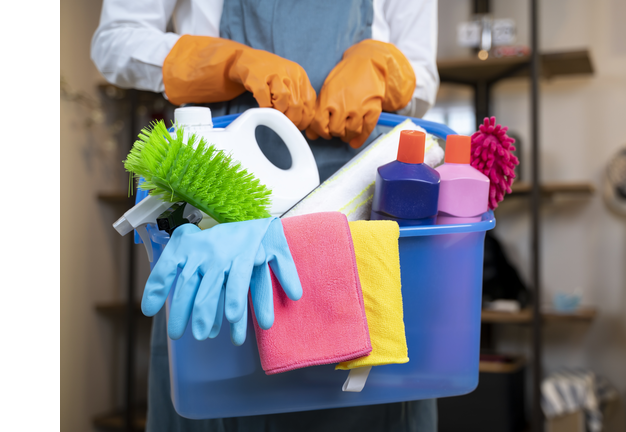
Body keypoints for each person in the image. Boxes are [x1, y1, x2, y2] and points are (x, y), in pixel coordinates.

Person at [90, 1, 439, 431]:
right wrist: (228, 62)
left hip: (361, 196)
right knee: (217, 381)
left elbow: (423, 71)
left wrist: (383, 69)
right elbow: (114, 41)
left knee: (369, 385)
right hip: (220, 192)